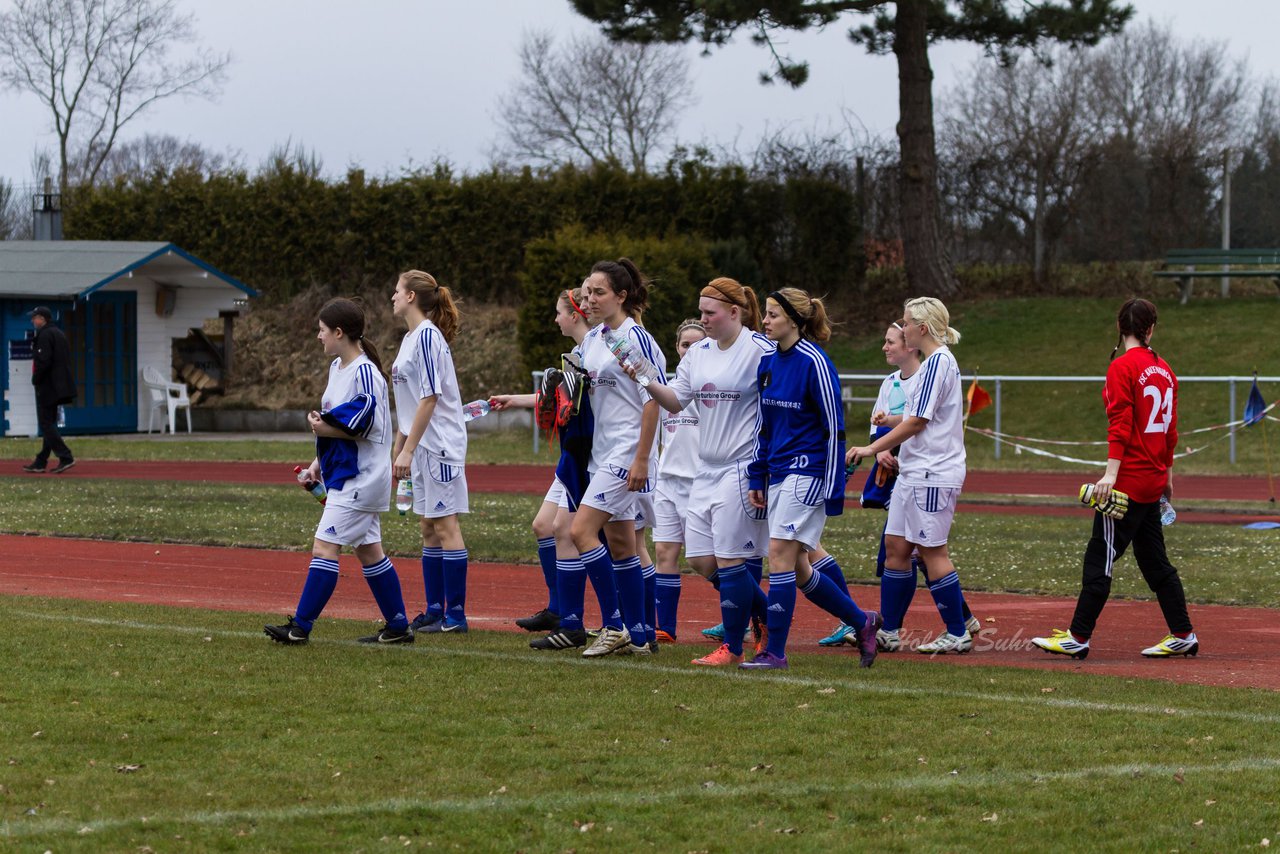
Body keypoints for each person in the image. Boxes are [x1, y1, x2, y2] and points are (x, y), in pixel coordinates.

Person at [1032, 298, 1197, 660]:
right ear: (1150, 328)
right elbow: (1170, 431)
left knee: (1100, 557)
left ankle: (1078, 635)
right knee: (1154, 562)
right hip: (1153, 479)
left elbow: (1120, 423)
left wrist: (1110, 473)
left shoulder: (1122, 367)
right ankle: (1183, 631)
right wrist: (1168, 474)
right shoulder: (1166, 370)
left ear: (1119, 328)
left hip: (1129, 481)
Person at [636, 278, 772, 666]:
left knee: (729, 559)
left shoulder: (760, 351)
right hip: (704, 470)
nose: (703, 319)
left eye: (709, 313)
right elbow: (676, 402)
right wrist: (644, 378)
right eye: (701, 312)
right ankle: (763, 615)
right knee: (700, 560)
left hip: (741, 467)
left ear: (735, 312)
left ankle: (732, 646)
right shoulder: (698, 354)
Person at [744, 288, 881, 670]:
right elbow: (763, 426)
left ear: (793, 319)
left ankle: (775, 653)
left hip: (809, 472)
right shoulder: (768, 362)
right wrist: (758, 472)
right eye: (766, 314)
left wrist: (834, 486)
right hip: (778, 473)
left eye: (772, 315)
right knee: (799, 566)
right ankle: (862, 621)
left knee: (779, 556)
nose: (765, 321)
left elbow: (834, 427)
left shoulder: (815, 362)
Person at [822, 322, 979, 650]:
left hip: (932, 472)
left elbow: (918, 422)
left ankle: (958, 631)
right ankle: (888, 632)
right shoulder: (922, 370)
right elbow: (913, 415)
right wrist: (885, 424)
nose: (900, 330)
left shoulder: (937, 363)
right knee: (896, 548)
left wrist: (871, 449)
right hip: (912, 472)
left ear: (920, 327)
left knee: (931, 551)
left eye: (905, 323)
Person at [265, 298, 411, 645]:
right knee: (369, 551)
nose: (319, 337)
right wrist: (318, 465)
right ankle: (398, 626)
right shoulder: (338, 369)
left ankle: (300, 627)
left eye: (322, 330)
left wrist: (321, 428)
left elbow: (360, 425)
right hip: (348, 475)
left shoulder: (365, 372)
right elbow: (338, 427)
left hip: (361, 479)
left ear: (340, 332)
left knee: (324, 547)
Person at [490, 287, 622, 650]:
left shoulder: (600, 349)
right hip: (574, 453)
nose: (555, 319)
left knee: (610, 539)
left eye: (559, 312)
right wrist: (514, 400)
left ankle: (612, 622)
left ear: (575, 315)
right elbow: (562, 398)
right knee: (546, 526)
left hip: (591, 454)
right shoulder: (581, 353)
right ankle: (562, 611)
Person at [571, 257, 667, 657]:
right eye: (586, 292)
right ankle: (641, 634)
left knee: (580, 532)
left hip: (627, 453)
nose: (588, 299)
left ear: (622, 296)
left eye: (598, 292)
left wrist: (642, 459)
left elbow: (653, 401)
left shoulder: (632, 338)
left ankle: (613, 625)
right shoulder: (596, 337)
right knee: (622, 544)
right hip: (603, 451)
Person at [390, 270, 471, 634]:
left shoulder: (426, 337)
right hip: (418, 444)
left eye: (396, 290)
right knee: (426, 526)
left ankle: (455, 614)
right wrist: (400, 444)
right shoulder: (410, 338)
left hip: (438, 444)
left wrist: (409, 449)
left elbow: (430, 398)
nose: (392, 296)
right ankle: (435, 609)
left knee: (445, 524)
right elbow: (409, 401)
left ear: (410, 297)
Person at [651, 318, 706, 643]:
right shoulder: (667, 389)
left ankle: (748, 614)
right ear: (676, 347)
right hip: (667, 482)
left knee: (707, 561)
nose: (690, 351)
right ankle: (666, 627)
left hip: (700, 483)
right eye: (685, 344)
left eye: (697, 345)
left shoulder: (710, 387)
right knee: (664, 552)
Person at [23, 306, 77, 474]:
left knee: (46, 423)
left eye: (35, 317)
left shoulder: (45, 335)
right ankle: (41, 461)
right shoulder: (59, 333)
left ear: (43, 319)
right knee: (49, 423)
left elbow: (43, 361)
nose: (32, 320)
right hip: (59, 385)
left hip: (48, 385)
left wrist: (35, 379)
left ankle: (65, 456)